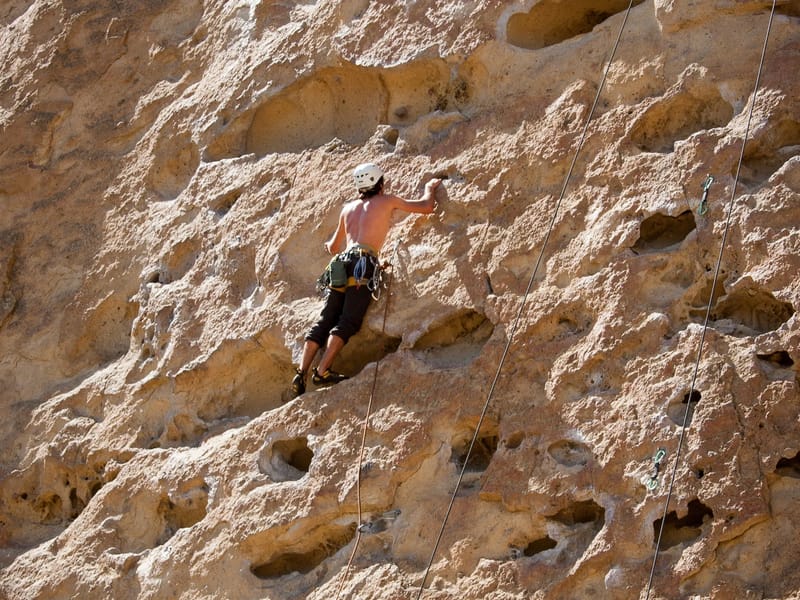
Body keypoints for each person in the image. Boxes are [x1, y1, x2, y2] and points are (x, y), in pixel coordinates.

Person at [291, 163, 441, 398]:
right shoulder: (386, 200)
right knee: (348, 321)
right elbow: (426, 207)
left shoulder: (347, 208)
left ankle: (301, 372)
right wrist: (430, 187)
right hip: (363, 264)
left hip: (341, 263)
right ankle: (322, 371)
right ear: (379, 183)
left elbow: (332, 247)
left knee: (326, 318)